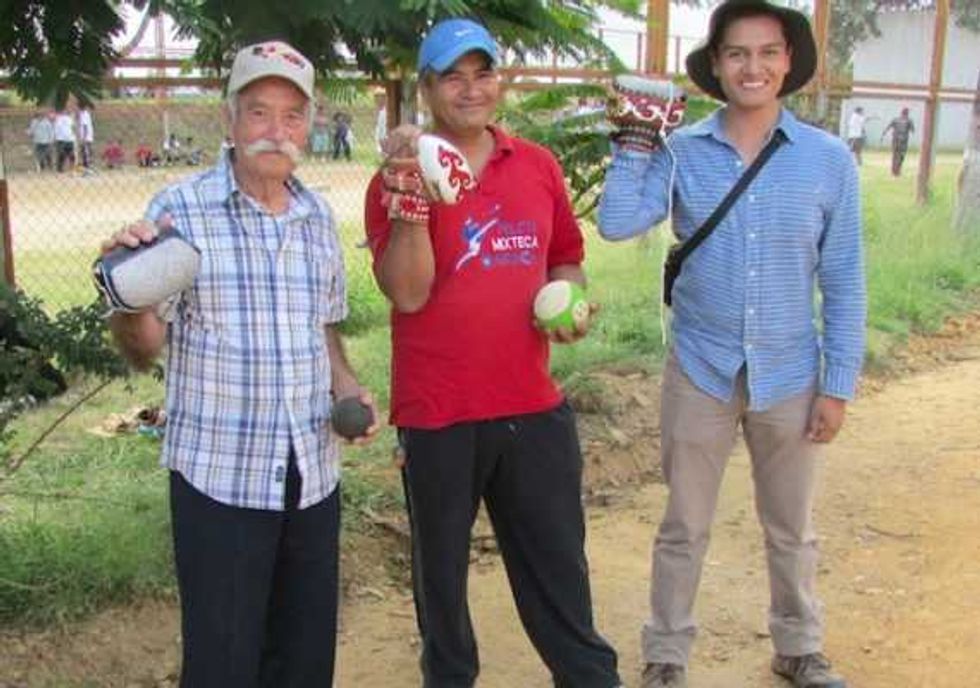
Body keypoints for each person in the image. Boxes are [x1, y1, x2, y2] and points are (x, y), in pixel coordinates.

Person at [598, 1, 865, 687]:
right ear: (716, 65)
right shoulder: (681, 150)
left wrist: (837, 385)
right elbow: (620, 221)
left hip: (791, 370)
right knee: (684, 524)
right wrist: (633, 140)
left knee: (792, 527)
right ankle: (666, 655)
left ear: (788, 64)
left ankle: (799, 647)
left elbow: (843, 279)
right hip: (702, 366)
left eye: (768, 52)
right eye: (738, 53)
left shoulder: (828, 161)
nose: (754, 66)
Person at [99, 40, 378, 687]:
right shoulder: (180, 210)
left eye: (291, 116)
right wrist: (128, 296)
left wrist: (350, 386)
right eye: (258, 112)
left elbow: (323, 328)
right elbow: (143, 346)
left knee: (305, 663)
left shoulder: (316, 217)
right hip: (220, 481)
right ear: (229, 121)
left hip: (312, 475)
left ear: (308, 127)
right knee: (223, 665)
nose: (275, 131)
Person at [363, 18, 621, 688]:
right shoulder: (395, 175)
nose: (471, 89)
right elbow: (409, 294)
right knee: (440, 582)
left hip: (531, 404)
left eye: (484, 72)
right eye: (453, 75)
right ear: (427, 88)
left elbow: (566, 259)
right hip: (439, 410)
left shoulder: (535, 165)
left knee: (558, 567)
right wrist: (412, 204)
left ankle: (590, 678)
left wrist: (570, 303)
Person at [881, 107, 915, 176]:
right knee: (901, 155)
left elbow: (888, 127)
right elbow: (912, 130)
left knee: (894, 155)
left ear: (901, 113)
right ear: (907, 113)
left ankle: (894, 171)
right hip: (903, 141)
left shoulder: (895, 119)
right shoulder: (909, 120)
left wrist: (883, 135)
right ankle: (898, 170)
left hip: (895, 140)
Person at [53, 108, 76, 172]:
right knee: (62, 154)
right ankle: (60, 168)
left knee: (71, 154)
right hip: (61, 139)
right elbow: (56, 128)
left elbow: (73, 128)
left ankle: (72, 167)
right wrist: (55, 137)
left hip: (69, 139)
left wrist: (73, 135)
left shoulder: (70, 119)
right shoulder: (58, 119)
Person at [77, 104, 95, 173]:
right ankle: (86, 168)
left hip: (86, 138)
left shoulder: (84, 114)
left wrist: (84, 138)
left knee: (85, 153)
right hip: (86, 137)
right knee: (84, 153)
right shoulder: (84, 114)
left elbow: (85, 127)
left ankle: (88, 168)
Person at [373, 92, 387, 156]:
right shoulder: (378, 109)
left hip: (385, 128)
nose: (378, 100)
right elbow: (376, 121)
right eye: (376, 98)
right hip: (380, 128)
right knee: (379, 140)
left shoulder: (386, 110)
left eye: (381, 97)